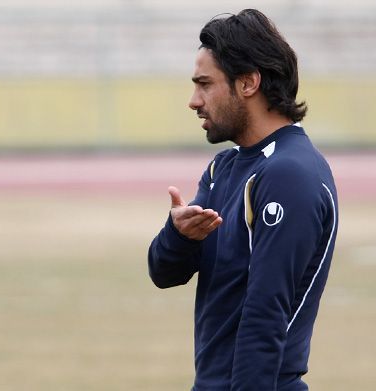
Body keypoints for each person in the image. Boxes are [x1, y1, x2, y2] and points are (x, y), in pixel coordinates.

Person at [147, 9, 338, 390]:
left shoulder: (289, 174)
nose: (193, 101)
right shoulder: (225, 167)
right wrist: (179, 236)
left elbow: (266, 312)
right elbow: (164, 274)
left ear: (248, 82)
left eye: (205, 84)